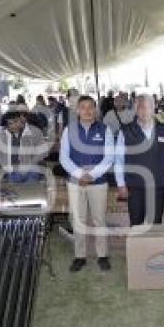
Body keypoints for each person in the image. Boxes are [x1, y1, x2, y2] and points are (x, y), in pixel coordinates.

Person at [59, 96, 115, 272]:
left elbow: (109, 157)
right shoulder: (69, 130)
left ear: (95, 109)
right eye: (82, 107)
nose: (87, 111)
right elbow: (63, 157)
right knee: (79, 220)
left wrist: (92, 175)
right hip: (76, 183)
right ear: (77, 110)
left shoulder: (105, 130)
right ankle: (80, 256)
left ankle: (102, 255)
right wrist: (78, 174)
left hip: (98, 182)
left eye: (90, 107)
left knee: (99, 220)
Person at [115, 94, 164, 226]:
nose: (144, 111)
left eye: (148, 107)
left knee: (155, 223)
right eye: (140, 107)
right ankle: (138, 247)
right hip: (135, 186)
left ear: (154, 108)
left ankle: (154, 247)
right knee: (136, 222)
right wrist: (121, 184)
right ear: (135, 109)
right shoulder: (125, 131)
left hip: (157, 185)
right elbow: (119, 159)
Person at [0, 112, 48, 183]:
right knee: (15, 192)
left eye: (16, 121)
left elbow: (44, 151)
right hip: (12, 172)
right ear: (6, 126)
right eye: (10, 124)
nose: (14, 126)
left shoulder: (35, 131)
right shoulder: (2, 135)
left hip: (31, 171)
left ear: (21, 119)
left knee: (29, 192)